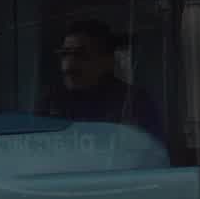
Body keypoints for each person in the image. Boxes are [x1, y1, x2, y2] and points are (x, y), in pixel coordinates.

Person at [37, 19, 166, 141]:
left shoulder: (132, 101)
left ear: (107, 61)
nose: (69, 65)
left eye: (80, 55)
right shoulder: (51, 103)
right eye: (65, 54)